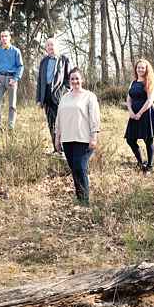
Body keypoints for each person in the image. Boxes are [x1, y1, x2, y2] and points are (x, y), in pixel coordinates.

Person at [55, 68, 100, 206]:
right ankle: (79, 198)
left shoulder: (89, 96)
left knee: (80, 167)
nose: (75, 81)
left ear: (82, 80)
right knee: (74, 168)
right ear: (69, 81)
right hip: (68, 139)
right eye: (72, 79)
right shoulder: (64, 97)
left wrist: (94, 136)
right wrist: (57, 137)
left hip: (84, 139)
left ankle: (85, 202)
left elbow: (94, 118)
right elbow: (59, 119)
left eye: (77, 78)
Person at [125, 59, 154, 173]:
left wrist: (140, 113)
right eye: (138, 68)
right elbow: (128, 98)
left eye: (143, 68)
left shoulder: (149, 81)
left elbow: (150, 100)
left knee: (148, 140)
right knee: (130, 140)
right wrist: (131, 111)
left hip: (146, 112)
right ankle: (141, 163)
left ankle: (150, 167)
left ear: (147, 69)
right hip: (134, 114)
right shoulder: (133, 82)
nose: (140, 69)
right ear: (136, 69)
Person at [36, 38, 71, 153]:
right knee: (51, 124)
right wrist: (39, 99)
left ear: (57, 46)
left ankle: (65, 148)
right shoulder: (43, 61)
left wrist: (62, 92)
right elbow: (40, 81)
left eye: (52, 45)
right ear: (46, 48)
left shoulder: (64, 60)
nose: (50, 47)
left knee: (61, 123)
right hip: (46, 97)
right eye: (48, 46)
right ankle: (56, 149)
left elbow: (69, 79)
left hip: (59, 97)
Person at [0, 30, 24, 130]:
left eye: (6, 36)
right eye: (2, 36)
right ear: (0, 39)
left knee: (12, 105)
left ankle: (10, 127)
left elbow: (20, 66)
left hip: (11, 78)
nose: (4, 38)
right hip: (0, 78)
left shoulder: (16, 51)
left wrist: (15, 79)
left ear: (10, 38)